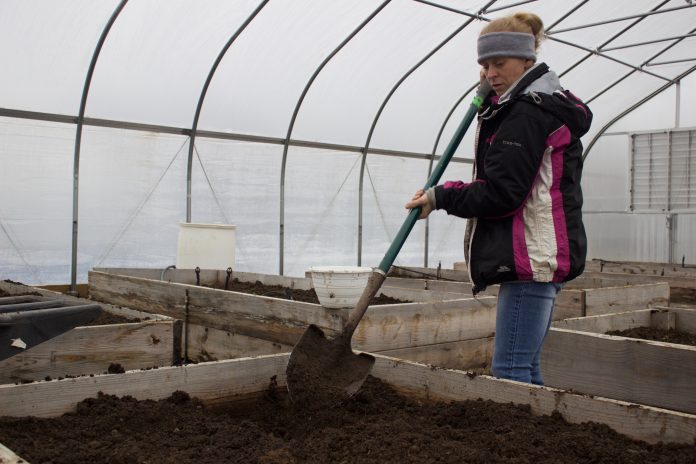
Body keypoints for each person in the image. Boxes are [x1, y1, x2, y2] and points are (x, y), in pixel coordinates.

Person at [405, 12, 592, 385]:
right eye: (485, 65)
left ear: (527, 60)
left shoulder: (526, 113)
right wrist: (491, 99)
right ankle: (538, 436)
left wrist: (441, 195)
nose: (491, 72)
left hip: (532, 257)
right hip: (539, 254)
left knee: (509, 372)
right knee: (525, 368)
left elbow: (502, 193)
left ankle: (528, 442)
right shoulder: (532, 104)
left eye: (499, 63)